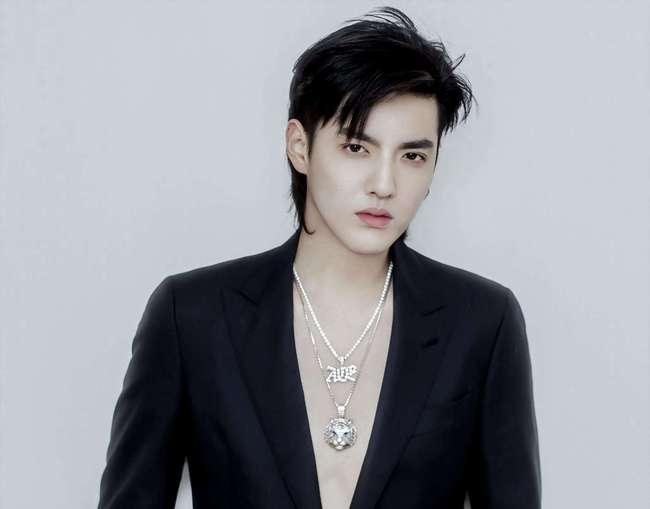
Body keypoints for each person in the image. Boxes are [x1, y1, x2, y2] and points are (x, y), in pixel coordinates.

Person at [97, 6, 541, 508]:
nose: (384, 184)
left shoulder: (482, 321)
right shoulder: (192, 315)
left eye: (412, 156)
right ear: (300, 146)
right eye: (356, 148)